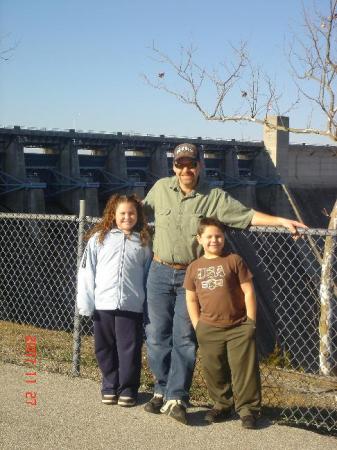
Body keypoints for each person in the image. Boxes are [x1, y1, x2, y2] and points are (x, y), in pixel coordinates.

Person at [142, 142, 305, 425]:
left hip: (190, 277)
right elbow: (136, 213)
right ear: (174, 167)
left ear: (200, 166)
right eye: (180, 164)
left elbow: (247, 216)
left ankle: (177, 397)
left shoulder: (214, 196)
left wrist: (280, 220)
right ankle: (161, 389)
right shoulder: (159, 189)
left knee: (183, 338)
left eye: (191, 164)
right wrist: (108, 223)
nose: (185, 169)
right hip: (157, 270)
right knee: (156, 335)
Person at [184, 217, 260, 429]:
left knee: (243, 370)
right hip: (209, 328)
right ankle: (222, 405)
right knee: (214, 369)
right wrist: (198, 325)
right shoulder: (194, 267)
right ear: (199, 239)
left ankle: (248, 411)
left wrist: (251, 322)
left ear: (224, 237)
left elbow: (248, 291)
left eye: (218, 236)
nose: (214, 240)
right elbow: (191, 298)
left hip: (238, 327)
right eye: (209, 236)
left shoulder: (234, 260)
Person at [76, 194, 152, 407]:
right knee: (104, 347)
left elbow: (147, 275)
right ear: (113, 214)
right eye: (122, 213)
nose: (127, 217)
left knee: (129, 348)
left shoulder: (144, 242)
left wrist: (146, 306)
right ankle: (109, 385)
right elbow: (86, 272)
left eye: (131, 213)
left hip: (131, 305)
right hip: (103, 304)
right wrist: (86, 303)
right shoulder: (99, 238)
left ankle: (128, 389)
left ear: (138, 215)